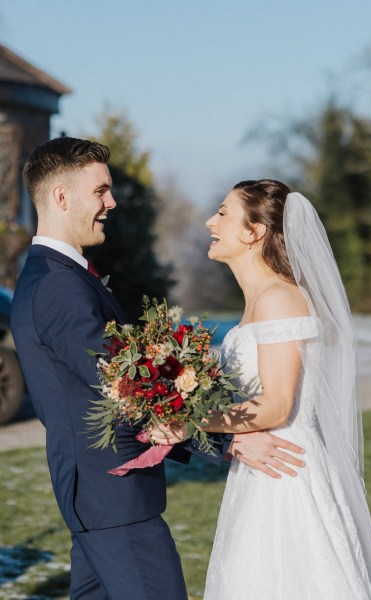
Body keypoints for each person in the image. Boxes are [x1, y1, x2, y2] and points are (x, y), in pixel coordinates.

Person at [11, 140, 305, 600]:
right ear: (61, 197)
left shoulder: (59, 277)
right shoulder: (58, 286)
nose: (112, 202)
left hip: (99, 497)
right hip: (113, 497)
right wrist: (228, 439)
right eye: (101, 190)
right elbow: (124, 386)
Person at [153, 179, 371, 599]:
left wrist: (186, 422)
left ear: (254, 231)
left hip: (286, 472)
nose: (211, 220)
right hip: (262, 463)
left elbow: (277, 406)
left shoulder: (280, 299)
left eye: (223, 212)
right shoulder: (260, 299)